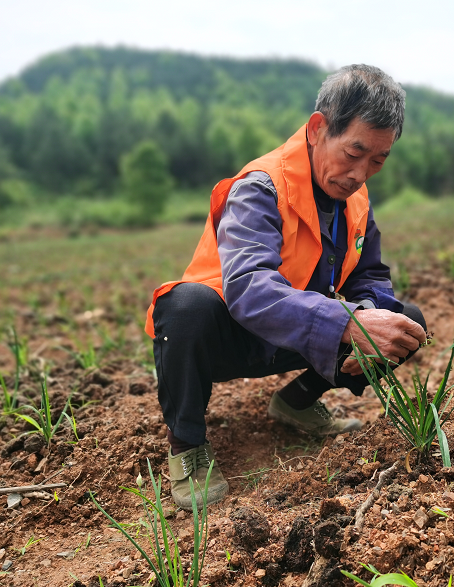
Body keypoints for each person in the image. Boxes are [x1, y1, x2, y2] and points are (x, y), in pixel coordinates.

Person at [144, 64, 428, 510]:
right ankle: (187, 447)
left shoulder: (354, 199)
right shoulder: (261, 187)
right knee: (184, 305)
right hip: (226, 336)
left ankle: (297, 401)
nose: (360, 172)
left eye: (378, 159)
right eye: (354, 152)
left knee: (403, 322)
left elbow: (368, 274)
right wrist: (351, 322)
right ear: (318, 129)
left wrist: (370, 313)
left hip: (295, 335)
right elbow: (249, 288)